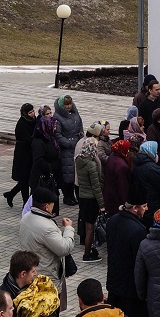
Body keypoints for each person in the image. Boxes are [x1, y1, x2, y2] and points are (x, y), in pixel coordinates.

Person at [105, 199, 154, 317]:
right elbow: (140, 263)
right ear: (135, 208)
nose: (147, 208)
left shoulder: (113, 221)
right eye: (144, 206)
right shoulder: (138, 230)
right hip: (131, 289)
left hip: (114, 283)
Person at [18, 187, 76, 314]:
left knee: (37, 304)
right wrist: (69, 229)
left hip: (32, 269)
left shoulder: (26, 217)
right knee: (49, 307)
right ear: (46, 206)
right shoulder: (46, 227)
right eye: (52, 204)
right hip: (47, 272)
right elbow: (64, 249)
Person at [75, 122, 106, 262]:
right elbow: (96, 187)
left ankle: (88, 251)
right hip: (91, 198)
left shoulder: (79, 160)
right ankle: (87, 254)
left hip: (82, 196)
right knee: (90, 228)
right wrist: (101, 204)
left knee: (87, 225)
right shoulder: (92, 165)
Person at [130, 139, 160, 226]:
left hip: (144, 203)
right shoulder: (155, 169)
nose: (157, 154)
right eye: (156, 152)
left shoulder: (137, 165)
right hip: (155, 204)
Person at [4, 103, 37, 207]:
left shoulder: (34, 120)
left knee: (27, 179)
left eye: (33, 111)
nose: (32, 114)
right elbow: (28, 139)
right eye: (30, 112)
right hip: (23, 155)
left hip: (31, 154)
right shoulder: (21, 124)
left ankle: (11, 194)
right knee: (24, 179)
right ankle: (25, 203)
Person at [54, 95, 84, 207]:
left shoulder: (75, 113)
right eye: (66, 104)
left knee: (74, 172)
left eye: (70, 104)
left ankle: (72, 195)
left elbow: (80, 126)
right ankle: (67, 196)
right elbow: (57, 134)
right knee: (67, 174)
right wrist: (68, 143)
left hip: (76, 146)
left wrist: (81, 137)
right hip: (66, 149)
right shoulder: (57, 117)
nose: (68, 106)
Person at [29, 108, 62, 202]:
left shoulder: (51, 138)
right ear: (47, 126)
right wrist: (52, 167)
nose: (55, 127)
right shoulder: (38, 141)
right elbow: (38, 160)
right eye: (53, 125)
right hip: (41, 179)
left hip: (50, 177)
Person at [103, 137, 132, 217]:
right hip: (117, 199)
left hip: (109, 195)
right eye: (127, 149)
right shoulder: (122, 166)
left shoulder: (112, 158)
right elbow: (122, 186)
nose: (128, 151)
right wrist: (125, 203)